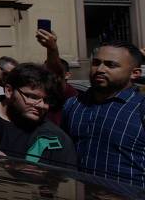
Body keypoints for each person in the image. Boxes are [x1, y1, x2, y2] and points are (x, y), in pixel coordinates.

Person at [62, 41, 145, 187]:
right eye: (96, 63)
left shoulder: (140, 108)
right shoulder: (73, 104)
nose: (100, 69)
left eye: (111, 65)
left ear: (135, 73)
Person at [0, 64, 76, 168]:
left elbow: (67, 182)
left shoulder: (57, 139)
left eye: (47, 100)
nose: (41, 105)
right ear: (9, 91)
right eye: (33, 97)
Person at [35, 29, 78, 125]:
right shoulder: (39, 89)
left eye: (48, 73)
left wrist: (52, 48)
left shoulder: (67, 92)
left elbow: (56, 73)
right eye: (43, 72)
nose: (45, 76)